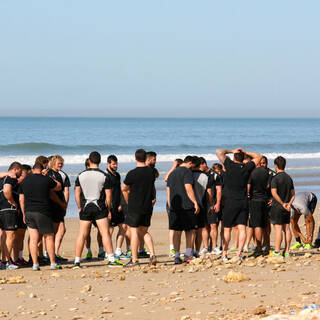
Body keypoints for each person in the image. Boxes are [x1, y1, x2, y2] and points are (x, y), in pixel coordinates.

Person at [73, 151, 123, 268]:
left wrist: (79, 206)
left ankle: (77, 261)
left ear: (89, 161)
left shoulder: (81, 175)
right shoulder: (104, 175)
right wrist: (109, 209)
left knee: (82, 234)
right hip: (100, 207)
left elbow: (77, 192)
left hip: (85, 207)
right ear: (100, 162)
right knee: (105, 233)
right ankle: (111, 259)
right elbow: (108, 195)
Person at [216, 148, 261, 261]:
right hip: (243, 201)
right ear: (243, 158)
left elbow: (219, 151)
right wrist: (246, 152)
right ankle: (239, 253)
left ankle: (224, 254)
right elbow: (258, 156)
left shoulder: (229, 165)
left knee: (227, 229)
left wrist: (232, 151)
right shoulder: (247, 167)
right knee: (242, 228)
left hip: (230, 201)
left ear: (234, 158)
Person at [19, 162, 65, 271]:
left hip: (29, 211)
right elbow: (59, 186)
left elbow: (22, 199)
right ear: (42, 169)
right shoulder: (45, 179)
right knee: (49, 237)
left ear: (33, 169)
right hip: (43, 211)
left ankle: (35, 264)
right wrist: (47, 176)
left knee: (33, 239)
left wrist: (24, 214)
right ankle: (53, 263)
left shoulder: (25, 181)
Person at [122, 149, 157, 266]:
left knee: (134, 232)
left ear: (135, 158)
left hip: (135, 206)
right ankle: (152, 254)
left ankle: (134, 259)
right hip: (147, 206)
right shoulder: (151, 172)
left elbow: (124, 188)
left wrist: (127, 201)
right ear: (145, 158)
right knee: (144, 232)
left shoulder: (132, 173)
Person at [166, 156, 200, 264]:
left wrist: (170, 205)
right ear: (190, 163)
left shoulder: (173, 173)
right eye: (193, 166)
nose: (193, 168)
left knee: (177, 231)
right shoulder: (187, 172)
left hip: (175, 206)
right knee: (190, 230)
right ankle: (188, 254)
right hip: (186, 205)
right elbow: (188, 188)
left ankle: (176, 255)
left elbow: (169, 190)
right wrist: (195, 202)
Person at [269, 156, 295, 257]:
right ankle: (287, 251)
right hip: (287, 206)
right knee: (287, 228)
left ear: (275, 166)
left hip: (278, 206)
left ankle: (277, 251)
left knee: (278, 229)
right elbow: (293, 194)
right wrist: (289, 203)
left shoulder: (275, 178)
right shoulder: (289, 178)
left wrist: (282, 203)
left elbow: (274, 193)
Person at [106, 155, 129, 259]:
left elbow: (119, 189)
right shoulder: (105, 176)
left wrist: (120, 203)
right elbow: (106, 193)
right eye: (113, 164)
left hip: (118, 206)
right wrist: (108, 209)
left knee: (123, 227)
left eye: (116, 163)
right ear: (108, 164)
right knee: (109, 230)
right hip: (109, 207)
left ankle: (118, 251)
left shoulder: (117, 175)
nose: (115, 165)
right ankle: (108, 252)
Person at [0, 162, 22, 270]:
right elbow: (7, 190)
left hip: (1, 209)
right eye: (20, 171)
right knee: (10, 236)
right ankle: (7, 262)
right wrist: (12, 201)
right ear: (16, 169)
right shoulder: (10, 178)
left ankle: (4, 261)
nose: (21, 173)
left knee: (4, 235)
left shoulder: (2, 178)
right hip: (8, 209)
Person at [198, 158, 222, 255]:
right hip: (202, 203)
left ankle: (214, 247)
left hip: (212, 203)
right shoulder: (200, 174)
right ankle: (206, 247)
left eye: (200, 166)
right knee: (204, 227)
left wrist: (217, 203)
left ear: (204, 164)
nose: (199, 168)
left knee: (213, 225)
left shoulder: (214, 175)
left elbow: (219, 190)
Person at [47, 155, 68, 262]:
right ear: (53, 163)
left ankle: (52, 254)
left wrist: (64, 204)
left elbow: (62, 191)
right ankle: (49, 255)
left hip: (59, 205)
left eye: (61, 163)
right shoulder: (48, 173)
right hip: (53, 205)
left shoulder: (59, 174)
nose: (61, 165)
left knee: (57, 231)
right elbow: (51, 192)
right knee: (52, 233)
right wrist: (61, 203)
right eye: (59, 163)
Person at [247, 159, 270, 256]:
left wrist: (248, 193)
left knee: (257, 226)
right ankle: (267, 246)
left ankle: (259, 248)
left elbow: (248, 187)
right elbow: (268, 185)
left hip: (255, 200)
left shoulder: (252, 173)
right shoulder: (266, 172)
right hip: (264, 199)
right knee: (265, 225)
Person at [192, 157, 213, 257]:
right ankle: (198, 250)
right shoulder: (205, 176)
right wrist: (210, 205)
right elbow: (209, 193)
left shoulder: (189, 175)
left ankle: (190, 250)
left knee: (191, 230)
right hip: (202, 203)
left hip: (190, 204)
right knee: (201, 229)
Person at [13, 164, 32, 266]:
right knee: (17, 236)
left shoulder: (23, 185)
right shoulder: (14, 184)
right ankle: (16, 258)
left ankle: (19, 257)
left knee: (21, 235)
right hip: (17, 211)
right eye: (22, 176)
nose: (23, 179)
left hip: (23, 210)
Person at [164, 159, 183, 257]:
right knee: (172, 227)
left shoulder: (182, 174)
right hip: (171, 203)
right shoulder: (172, 175)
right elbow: (165, 178)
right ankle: (172, 248)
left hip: (181, 203)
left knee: (179, 228)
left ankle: (176, 248)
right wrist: (173, 167)